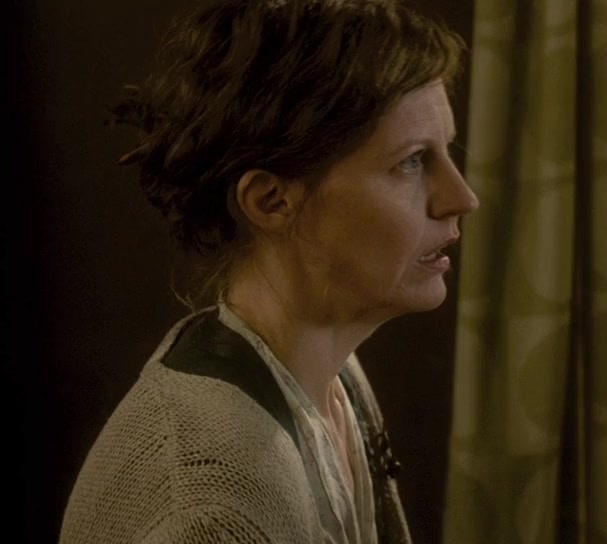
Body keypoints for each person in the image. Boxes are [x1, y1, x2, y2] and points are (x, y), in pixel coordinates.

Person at [60, 0, 477, 542]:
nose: (461, 198)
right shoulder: (209, 511)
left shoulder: (334, 378)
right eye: (411, 161)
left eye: (445, 151)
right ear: (271, 200)